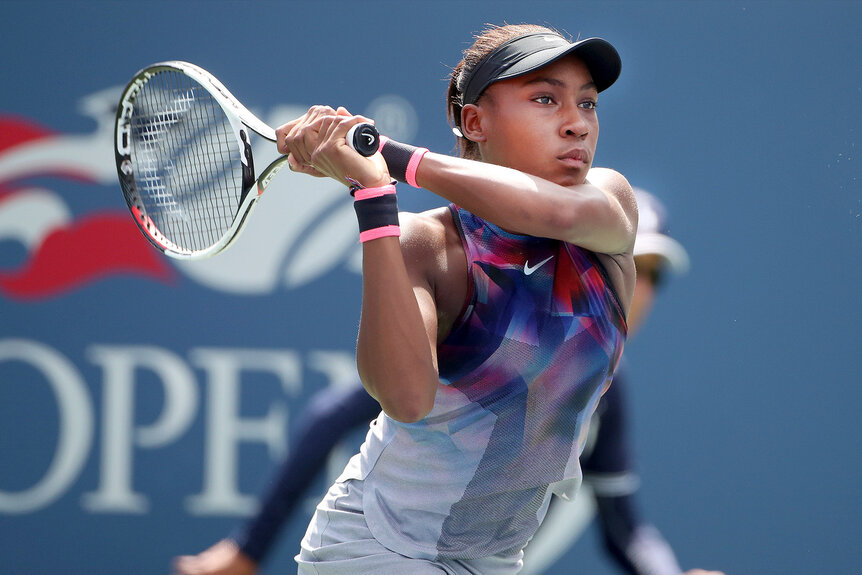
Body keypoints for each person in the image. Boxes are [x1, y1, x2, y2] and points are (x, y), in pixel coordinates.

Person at [178, 22, 721, 575]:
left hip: (493, 562)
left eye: (587, 103)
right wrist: (373, 199)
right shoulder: (428, 245)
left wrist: (388, 154)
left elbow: (550, 213)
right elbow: (405, 398)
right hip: (372, 550)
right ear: (474, 121)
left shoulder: (612, 202)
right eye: (545, 99)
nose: (577, 123)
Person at [172, 191, 712, 575]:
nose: (638, 291)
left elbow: (625, 529)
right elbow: (331, 417)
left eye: (652, 275)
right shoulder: (498, 345)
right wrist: (248, 549)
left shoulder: (604, 392)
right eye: (628, 265)